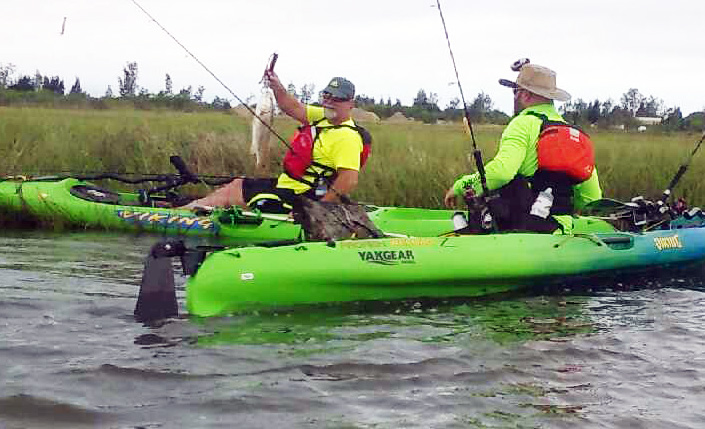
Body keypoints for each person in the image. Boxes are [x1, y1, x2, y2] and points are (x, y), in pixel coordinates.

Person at [444, 61, 602, 233]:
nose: (514, 96)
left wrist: (460, 186)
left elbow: (501, 172)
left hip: (525, 229)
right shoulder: (574, 134)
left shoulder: (522, 124)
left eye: (515, 91)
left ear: (525, 95)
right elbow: (591, 198)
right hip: (563, 229)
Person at [183, 72, 366, 212]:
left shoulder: (347, 137)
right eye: (326, 96)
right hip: (287, 185)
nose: (329, 102)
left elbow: (349, 180)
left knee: (231, 195)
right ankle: (190, 209)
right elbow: (291, 106)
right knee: (238, 184)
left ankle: (181, 215)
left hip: (303, 196)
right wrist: (276, 85)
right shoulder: (323, 116)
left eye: (337, 99)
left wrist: (319, 210)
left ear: (351, 103)